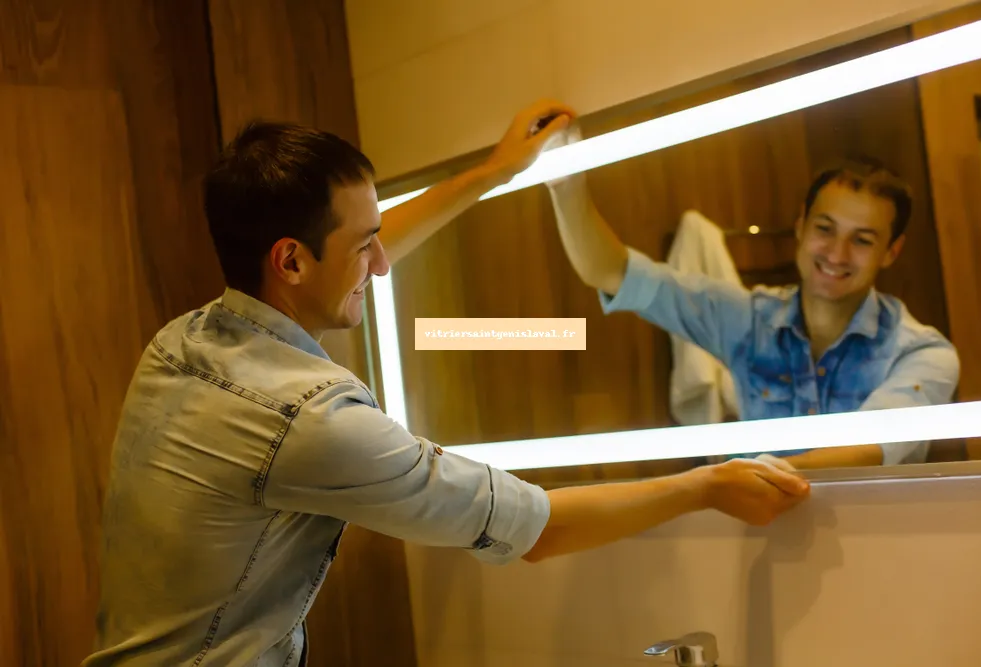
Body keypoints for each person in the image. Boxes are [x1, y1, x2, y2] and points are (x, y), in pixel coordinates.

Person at [82, 100, 810, 667]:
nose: (382, 264)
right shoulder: (311, 420)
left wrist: (495, 172)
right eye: (365, 246)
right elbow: (536, 529)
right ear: (291, 261)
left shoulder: (184, 342)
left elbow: (357, 249)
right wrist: (705, 485)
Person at [545, 124, 959, 471]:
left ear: (891, 252)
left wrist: (718, 484)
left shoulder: (924, 354)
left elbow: (868, 449)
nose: (837, 253)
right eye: (825, 229)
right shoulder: (747, 319)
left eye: (862, 240)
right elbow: (610, 272)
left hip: (877, 539)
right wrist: (566, 186)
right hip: (759, 536)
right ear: (800, 227)